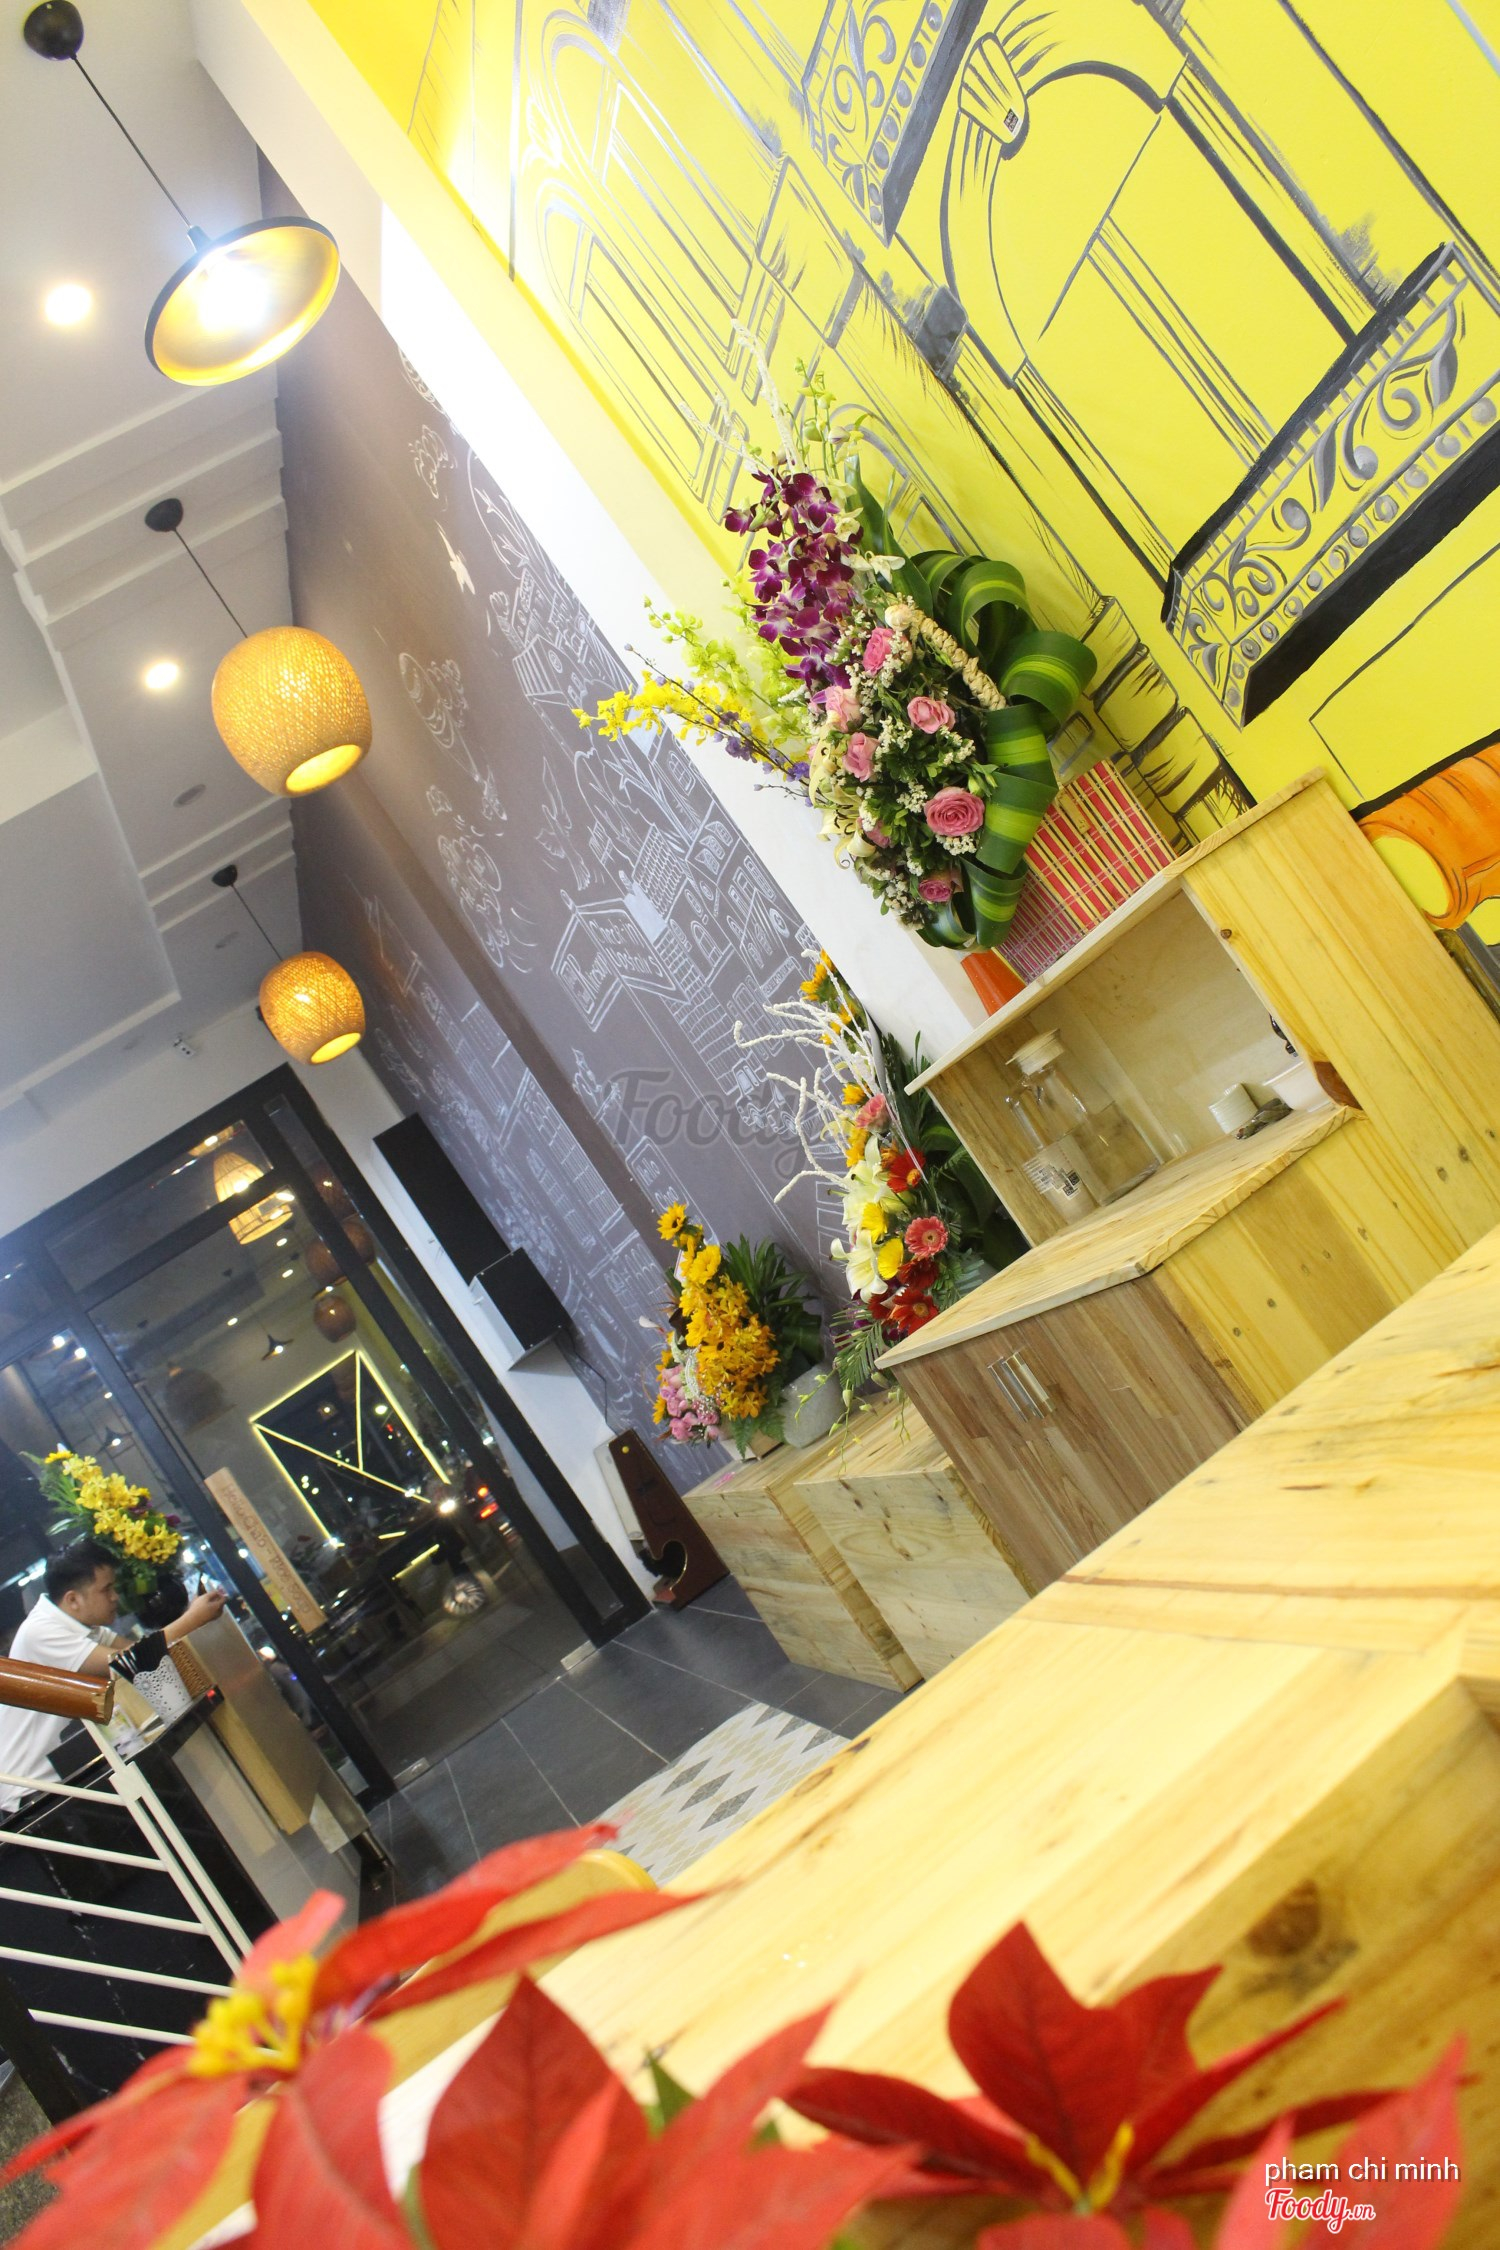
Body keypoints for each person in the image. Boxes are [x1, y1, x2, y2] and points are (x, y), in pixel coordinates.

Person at [0, 1540, 226, 1814]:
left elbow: (137, 1651)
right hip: (32, 1794)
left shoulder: (80, 1626)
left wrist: (191, 1616)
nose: (115, 1597)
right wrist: (194, 1618)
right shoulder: (41, 1633)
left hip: (62, 1780)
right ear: (73, 1599)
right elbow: (126, 1661)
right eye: (106, 1589)